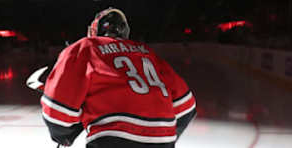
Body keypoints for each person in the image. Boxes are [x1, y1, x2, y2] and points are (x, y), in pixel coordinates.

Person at [41, 8, 196, 148]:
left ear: (95, 29)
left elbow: (57, 111)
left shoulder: (86, 46)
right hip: (162, 141)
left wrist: (64, 136)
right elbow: (187, 108)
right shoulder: (148, 53)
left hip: (113, 139)